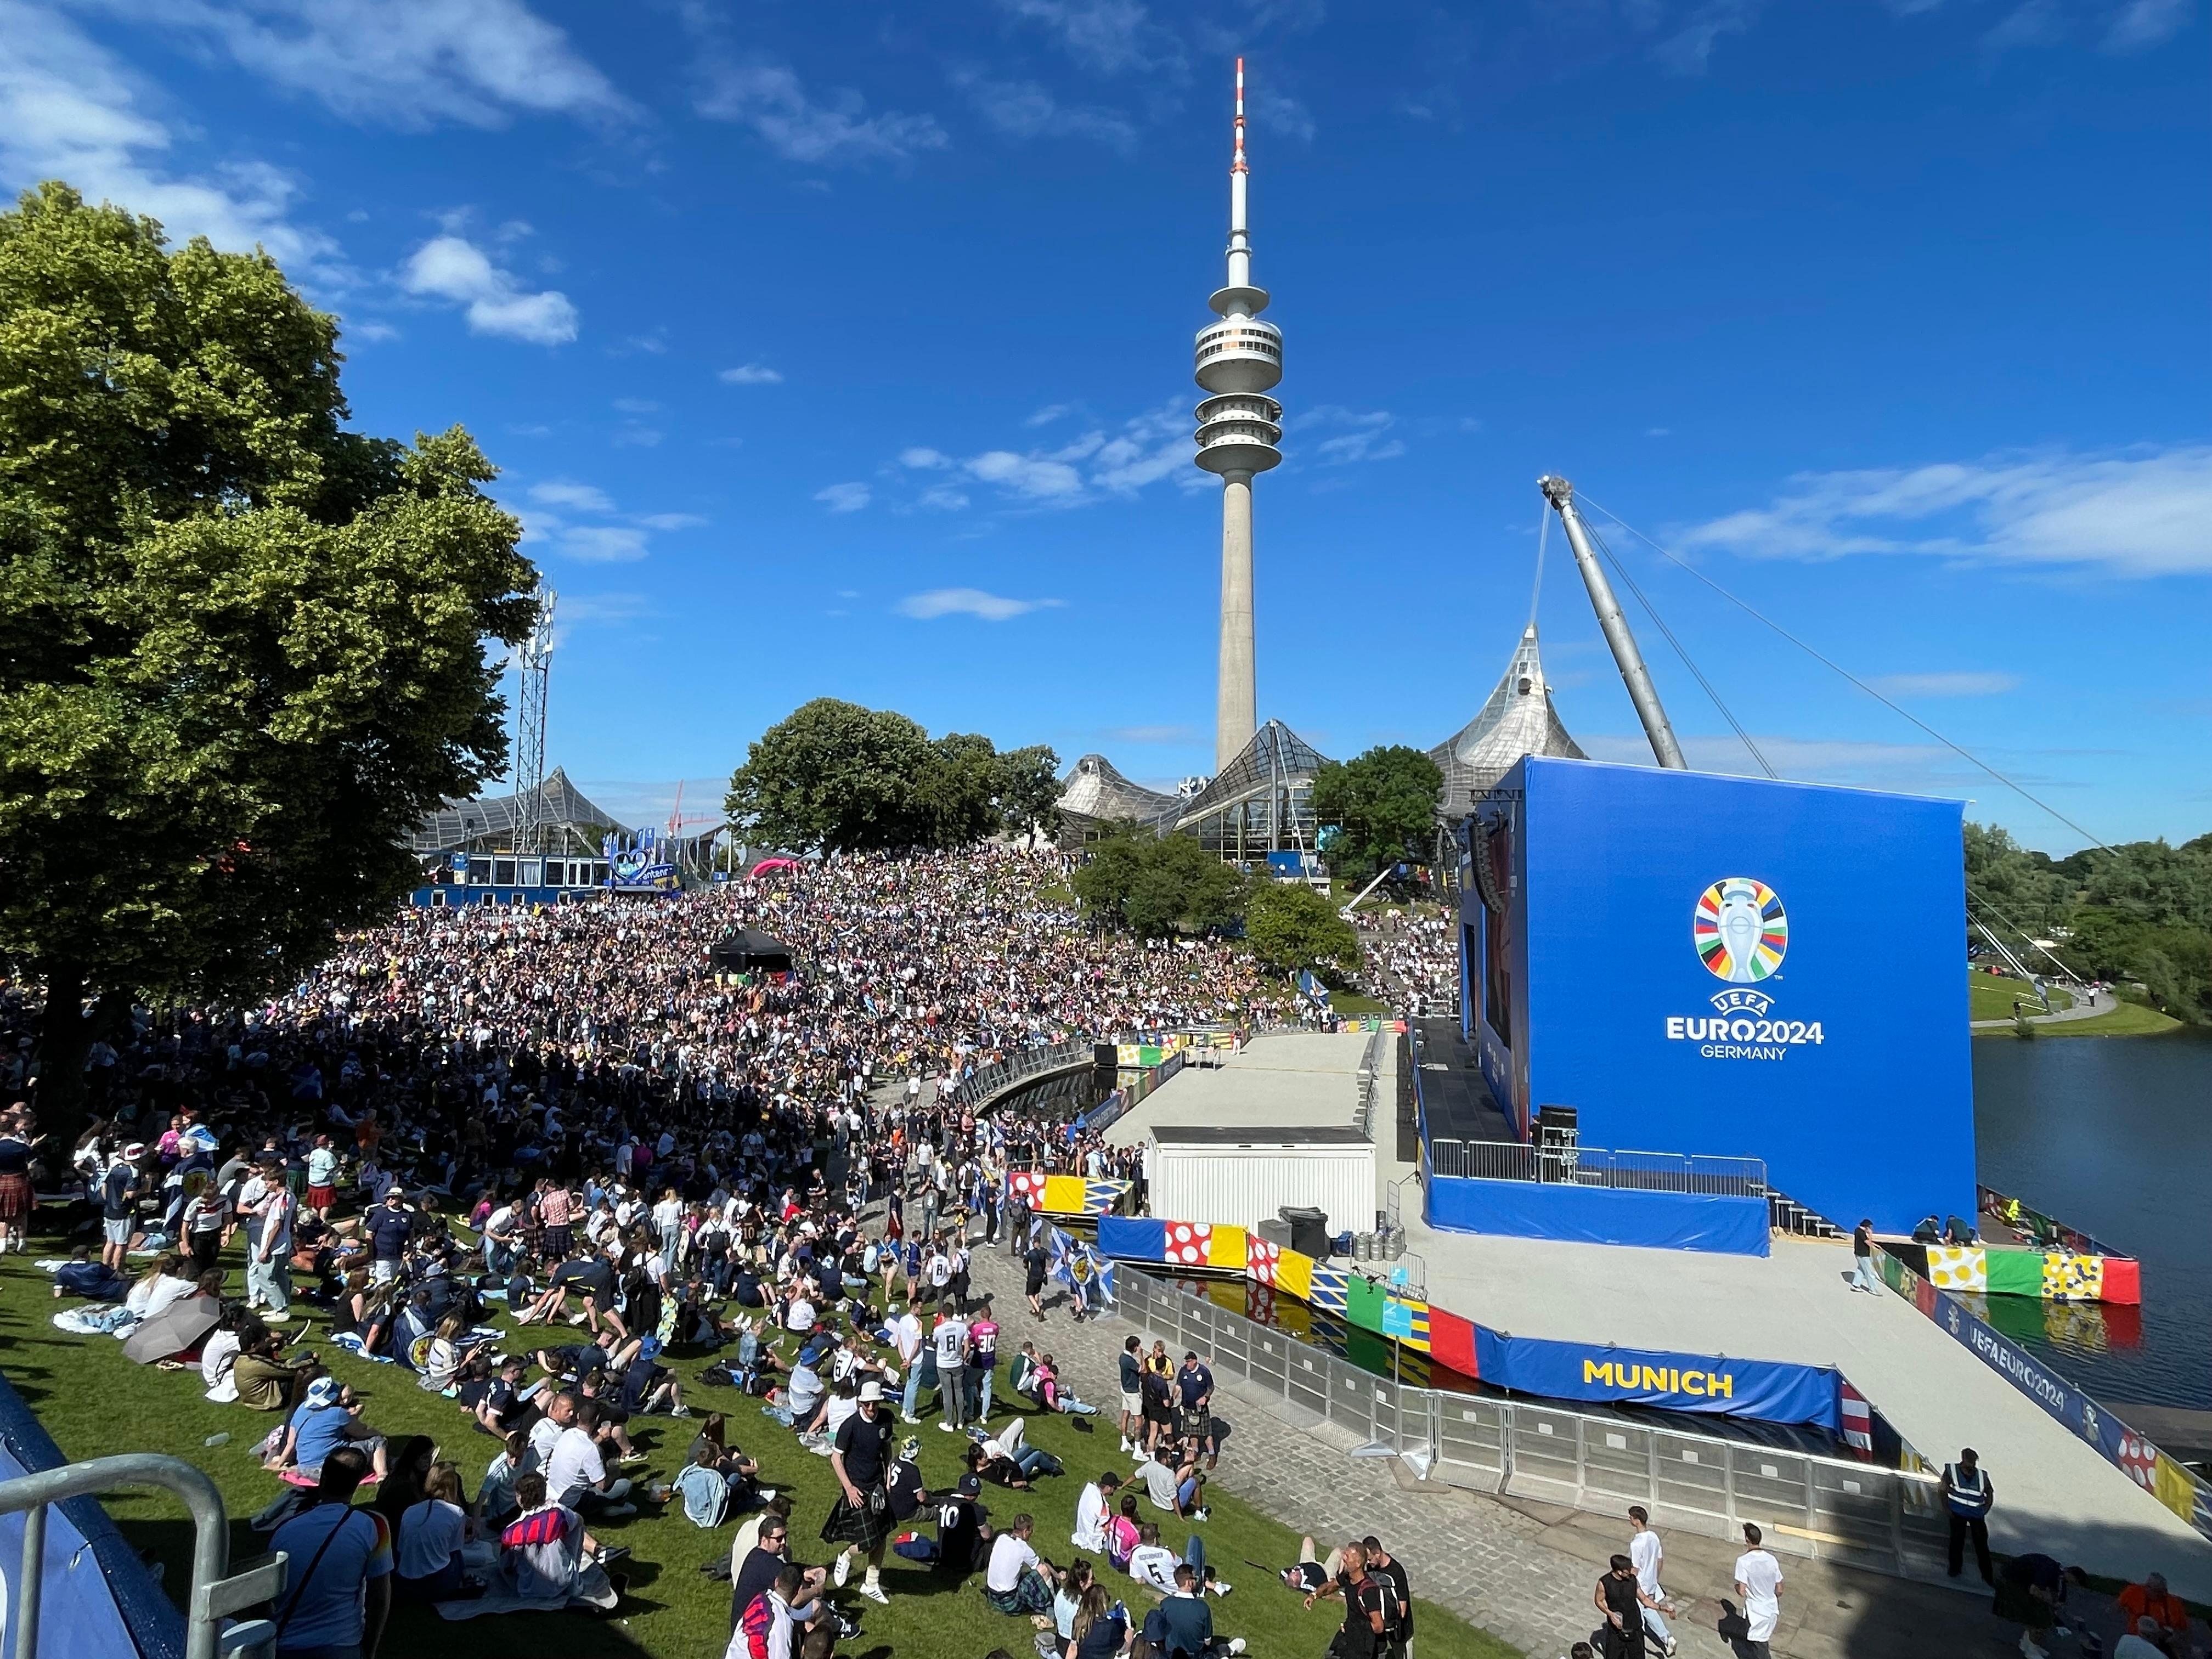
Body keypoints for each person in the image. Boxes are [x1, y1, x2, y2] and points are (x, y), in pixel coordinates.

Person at [268, 1447, 393, 1659]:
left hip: (285, 1646)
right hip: (342, 1644)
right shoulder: (374, 1526)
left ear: (322, 1478)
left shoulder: (284, 1530)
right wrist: (370, 1651)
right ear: (360, 1481)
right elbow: (379, 1597)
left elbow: (264, 1598)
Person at [822, 1378, 895, 1604]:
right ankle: (845, 1556)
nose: (872, 1409)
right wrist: (849, 1488)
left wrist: (889, 1474)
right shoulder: (850, 1426)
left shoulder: (885, 1420)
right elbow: (836, 1458)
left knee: (881, 1537)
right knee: (868, 1541)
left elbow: (886, 1447)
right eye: (867, 1404)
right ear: (860, 1403)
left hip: (878, 1487)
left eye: (875, 1404)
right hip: (857, 1489)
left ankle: (871, 1583)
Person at [272, 1376, 391, 1483]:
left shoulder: (301, 1410)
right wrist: (378, 1433)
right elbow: (361, 1432)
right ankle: (382, 1475)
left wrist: (280, 1463)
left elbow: (291, 1443)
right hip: (331, 1469)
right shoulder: (337, 1413)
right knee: (376, 1441)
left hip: (305, 1469)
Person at [394, 1462, 472, 1602]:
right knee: (458, 1558)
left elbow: (401, 1548)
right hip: (436, 1585)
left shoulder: (410, 1511)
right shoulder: (457, 1514)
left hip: (405, 1583)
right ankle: (466, 1581)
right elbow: (454, 1550)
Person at [1995, 1554, 2087, 1659]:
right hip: (2011, 1582)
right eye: (2074, 1582)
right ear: (2071, 1574)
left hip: (2020, 1583)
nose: (2073, 1584)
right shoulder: (2049, 1569)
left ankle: (2028, 1644)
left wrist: (2055, 1610)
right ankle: (2030, 1651)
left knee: (2042, 1616)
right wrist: (2050, 1604)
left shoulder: (2059, 1575)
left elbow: (2057, 1598)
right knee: (2039, 1618)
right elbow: (2034, 1590)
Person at [985, 1513, 1060, 1616]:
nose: (1031, 1534)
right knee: (1040, 1573)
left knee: (1023, 1575)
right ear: (1026, 1531)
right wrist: (1058, 1575)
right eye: (1031, 1531)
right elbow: (1042, 1568)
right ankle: (1053, 1602)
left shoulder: (1001, 1538)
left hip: (992, 1596)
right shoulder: (1024, 1548)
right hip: (1008, 1602)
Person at [1940, 1447, 1995, 1584]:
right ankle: (1955, 1569)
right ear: (1963, 1459)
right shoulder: (1951, 1471)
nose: (1971, 1466)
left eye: (1973, 1463)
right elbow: (1942, 1490)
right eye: (1969, 1462)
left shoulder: (1982, 1476)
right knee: (1957, 1541)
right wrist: (1947, 1509)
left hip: (1976, 1514)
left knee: (1981, 1544)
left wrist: (1985, 1509)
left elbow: (1989, 1492)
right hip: (1957, 1512)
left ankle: (1988, 1576)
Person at [1626, 1507, 1675, 1657]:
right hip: (1652, 1583)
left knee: (1638, 1618)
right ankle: (1667, 1638)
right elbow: (1660, 1560)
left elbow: (1635, 1568)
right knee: (1649, 1611)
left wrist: (1628, 1583)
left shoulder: (1636, 1544)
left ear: (1637, 1521)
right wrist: (1655, 1578)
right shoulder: (1654, 1537)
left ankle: (1636, 1650)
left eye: (1631, 1518)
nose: (1630, 1520)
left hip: (1640, 1586)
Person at [1731, 1522, 1784, 1659]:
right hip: (1771, 1608)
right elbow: (1780, 1589)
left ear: (1747, 1539)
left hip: (1756, 1611)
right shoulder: (1771, 1560)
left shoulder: (1743, 1561)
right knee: (1762, 1642)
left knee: (1760, 1645)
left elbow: (1742, 1591)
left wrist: (1737, 1587)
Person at [1362, 1535, 1412, 1659]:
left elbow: (1402, 1608)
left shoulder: (1397, 1572)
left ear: (1378, 1553)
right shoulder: (1371, 1568)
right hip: (1379, 1623)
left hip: (1399, 1627)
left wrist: (1389, 1622)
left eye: (1369, 1559)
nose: (1367, 1563)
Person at [2117, 1573, 2193, 1651]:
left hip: (2161, 1644)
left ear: (2164, 1592)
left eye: (2155, 1591)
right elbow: (2116, 1608)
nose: (2148, 1591)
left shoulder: (2174, 1606)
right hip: (2136, 1639)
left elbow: (2184, 1630)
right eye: (2148, 1587)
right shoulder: (2133, 1592)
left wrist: (2172, 1636)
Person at [1594, 1556, 1647, 1658]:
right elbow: (1598, 1601)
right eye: (1628, 1570)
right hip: (1616, 1631)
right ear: (1619, 1572)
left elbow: (1644, 1599)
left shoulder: (1632, 1580)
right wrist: (1610, 1614)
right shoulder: (1605, 1583)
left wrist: (1660, 1607)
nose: (1631, 1572)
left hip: (1634, 1625)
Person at [1073, 1471, 1121, 1551]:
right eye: (1114, 1488)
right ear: (1109, 1488)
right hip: (1093, 1538)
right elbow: (1106, 1528)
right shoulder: (1102, 1506)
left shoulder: (1089, 1489)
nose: (1114, 1491)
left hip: (1082, 1529)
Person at [1118, 1336, 1146, 1454]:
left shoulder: (1122, 1357)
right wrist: (1141, 1356)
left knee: (1125, 1415)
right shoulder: (1129, 1361)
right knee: (1138, 1420)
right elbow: (1142, 1370)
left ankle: (1124, 1441)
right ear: (1135, 1347)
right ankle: (1138, 1449)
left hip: (1125, 1389)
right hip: (1133, 1393)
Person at [1850, 1218, 1882, 1294]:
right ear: (1867, 1227)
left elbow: (1866, 1240)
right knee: (1869, 1272)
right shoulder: (1861, 1233)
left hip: (1858, 1253)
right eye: (1870, 1228)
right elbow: (1868, 1242)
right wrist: (1871, 1234)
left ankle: (1855, 1285)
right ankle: (1873, 1289)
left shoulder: (1858, 1231)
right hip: (1863, 1255)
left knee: (1861, 1269)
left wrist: (1876, 1245)